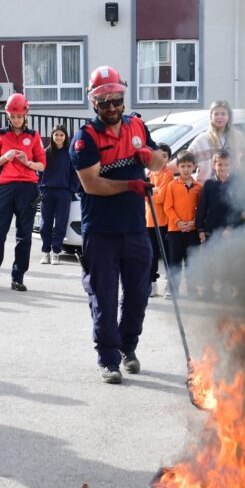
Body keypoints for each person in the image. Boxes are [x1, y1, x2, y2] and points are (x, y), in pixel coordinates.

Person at [69, 65, 161, 384]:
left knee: (138, 293)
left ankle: (128, 347)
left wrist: (151, 156)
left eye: (116, 100)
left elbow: (160, 161)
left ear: (123, 98)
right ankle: (108, 357)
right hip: (102, 230)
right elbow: (92, 184)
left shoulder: (136, 125)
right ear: (94, 103)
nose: (111, 108)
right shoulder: (85, 138)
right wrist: (129, 186)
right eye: (104, 101)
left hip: (136, 227)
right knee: (104, 296)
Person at [0, 93, 45, 292]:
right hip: (5, 188)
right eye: (12, 116)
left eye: (19, 116)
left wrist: (27, 162)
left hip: (27, 189)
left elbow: (42, 165)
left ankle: (18, 277)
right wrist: (5, 158)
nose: (16, 119)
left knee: (24, 236)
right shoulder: (0, 134)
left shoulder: (34, 136)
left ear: (26, 115)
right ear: (8, 115)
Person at [163, 151, 202, 298]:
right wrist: (178, 222)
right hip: (175, 230)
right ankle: (172, 290)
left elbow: (200, 208)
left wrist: (193, 222)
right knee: (175, 262)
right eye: (183, 166)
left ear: (194, 167)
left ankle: (192, 290)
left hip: (192, 230)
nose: (186, 169)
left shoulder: (198, 187)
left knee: (191, 261)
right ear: (177, 168)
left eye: (189, 166)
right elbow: (168, 207)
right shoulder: (172, 185)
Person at [38, 124, 78, 266]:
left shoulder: (70, 154)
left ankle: (56, 252)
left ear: (65, 137)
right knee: (45, 225)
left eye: (61, 135)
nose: (59, 137)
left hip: (64, 193)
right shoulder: (45, 153)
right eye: (56, 135)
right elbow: (39, 173)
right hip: (47, 192)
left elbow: (75, 174)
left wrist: (71, 189)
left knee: (61, 223)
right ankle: (46, 252)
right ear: (52, 136)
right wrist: (40, 189)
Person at [188, 99, 245, 183]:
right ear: (211, 116)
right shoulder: (202, 139)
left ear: (229, 116)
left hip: (233, 189)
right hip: (207, 189)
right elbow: (184, 160)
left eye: (223, 114)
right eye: (216, 114)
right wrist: (164, 165)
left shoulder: (238, 137)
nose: (219, 117)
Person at [196, 149, 245, 244]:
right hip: (213, 230)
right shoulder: (209, 184)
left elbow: (239, 208)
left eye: (226, 165)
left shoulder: (236, 182)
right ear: (213, 165)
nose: (223, 168)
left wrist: (232, 226)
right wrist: (200, 229)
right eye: (220, 165)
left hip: (232, 229)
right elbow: (202, 207)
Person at [145, 143, 173, 297]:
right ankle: (152, 283)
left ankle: (170, 284)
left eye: (165, 156)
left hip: (163, 221)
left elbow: (161, 197)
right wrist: (151, 192)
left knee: (167, 253)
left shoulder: (168, 174)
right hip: (149, 220)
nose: (161, 159)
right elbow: (142, 194)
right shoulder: (149, 173)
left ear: (169, 159)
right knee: (152, 254)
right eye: (159, 155)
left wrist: (151, 192)